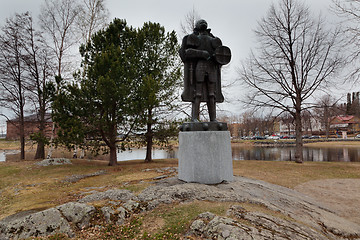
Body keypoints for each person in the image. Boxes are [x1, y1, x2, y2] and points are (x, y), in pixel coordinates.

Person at [179, 19, 231, 122]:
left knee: (212, 94)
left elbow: (221, 55)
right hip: (200, 65)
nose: (203, 24)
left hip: (211, 67)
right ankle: (194, 118)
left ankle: (213, 119)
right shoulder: (193, 38)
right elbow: (187, 52)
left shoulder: (214, 40)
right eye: (201, 23)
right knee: (197, 93)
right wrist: (202, 53)